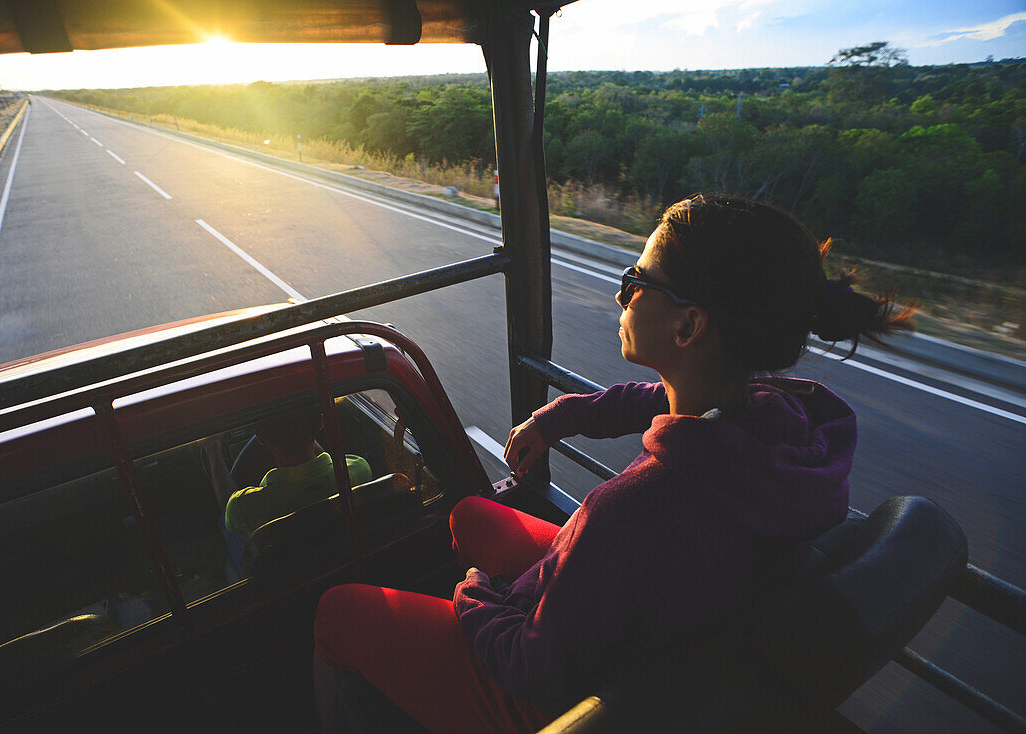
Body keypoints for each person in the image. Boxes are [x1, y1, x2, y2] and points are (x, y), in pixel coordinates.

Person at [312, 194, 914, 734]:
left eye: (636, 280)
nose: (621, 292)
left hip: (560, 696)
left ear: (688, 325)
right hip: (667, 633)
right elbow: (651, 402)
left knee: (337, 611)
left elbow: (533, 664)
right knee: (472, 512)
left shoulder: (629, 510)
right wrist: (557, 418)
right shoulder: (776, 424)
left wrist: (474, 596)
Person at [203, 406, 372, 572]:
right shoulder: (357, 470)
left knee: (225, 521)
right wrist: (306, 431)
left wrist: (213, 448)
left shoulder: (242, 506)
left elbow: (228, 508)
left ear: (261, 437)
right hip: (342, 564)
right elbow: (330, 465)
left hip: (282, 579)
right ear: (321, 423)